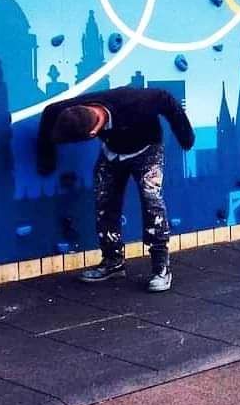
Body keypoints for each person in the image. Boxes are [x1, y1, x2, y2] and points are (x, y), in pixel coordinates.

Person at [36, 85, 195, 292]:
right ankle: (113, 262)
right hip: (112, 152)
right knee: (105, 201)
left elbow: (166, 99)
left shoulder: (137, 103)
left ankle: (160, 268)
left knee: (151, 201)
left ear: (93, 132)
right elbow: (50, 111)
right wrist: (47, 159)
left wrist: (186, 137)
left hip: (147, 149)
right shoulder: (76, 108)